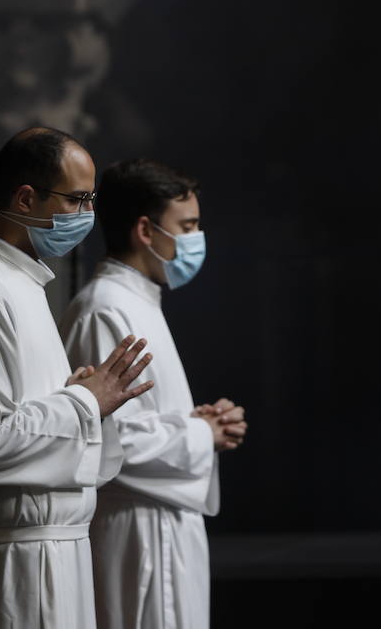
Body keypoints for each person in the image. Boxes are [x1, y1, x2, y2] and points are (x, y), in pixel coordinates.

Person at [0, 126, 155, 629]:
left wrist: (84, 400)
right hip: (16, 563)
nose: (87, 217)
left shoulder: (20, 284)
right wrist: (84, 404)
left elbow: (26, 421)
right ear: (26, 197)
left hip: (56, 548)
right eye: (77, 200)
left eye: (92, 201)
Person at [61, 158, 247, 629]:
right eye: (187, 226)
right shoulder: (104, 309)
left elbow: (145, 418)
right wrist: (201, 435)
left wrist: (202, 423)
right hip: (139, 534)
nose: (195, 239)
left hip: (166, 525)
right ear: (145, 229)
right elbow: (107, 438)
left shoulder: (137, 301)